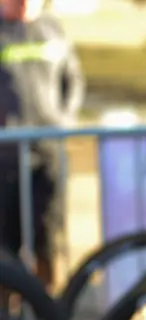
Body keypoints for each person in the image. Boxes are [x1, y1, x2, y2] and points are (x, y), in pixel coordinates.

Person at [0, 0, 84, 285]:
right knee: (6, 244)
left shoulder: (52, 28)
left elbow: (73, 81)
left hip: (48, 153)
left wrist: (62, 121)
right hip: (5, 157)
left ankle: (48, 314)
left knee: (48, 237)